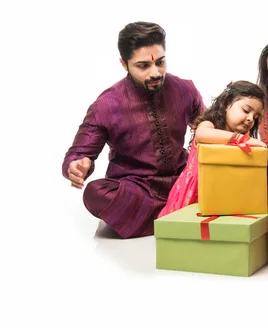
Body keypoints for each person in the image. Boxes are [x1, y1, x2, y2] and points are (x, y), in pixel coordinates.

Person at [62, 22, 206, 239]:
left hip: (181, 180)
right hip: (137, 188)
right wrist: (77, 166)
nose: (155, 72)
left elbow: (208, 128)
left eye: (161, 62)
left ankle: (151, 218)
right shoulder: (107, 104)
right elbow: (78, 154)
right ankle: (178, 213)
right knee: (95, 193)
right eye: (143, 66)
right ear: (124, 64)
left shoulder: (185, 89)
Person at [157, 80, 268, 218]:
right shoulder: (210, 125)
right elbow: (202, 134)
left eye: (256, 117)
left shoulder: (243, 140)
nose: (251, 119)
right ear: (227, 104)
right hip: (196, 190)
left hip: (220, 191)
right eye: (246, 111)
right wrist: (241, 139)